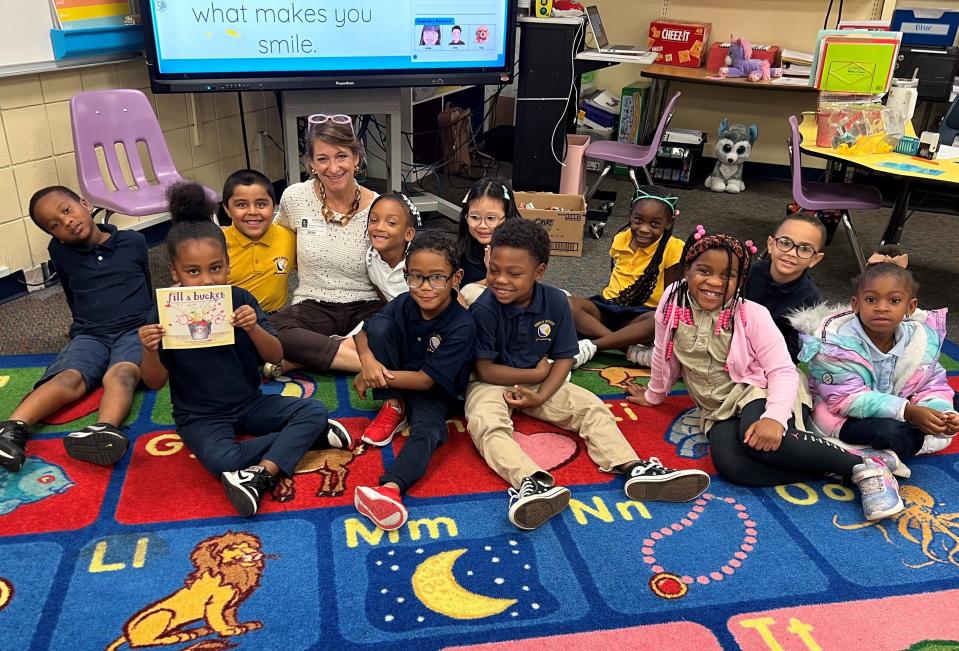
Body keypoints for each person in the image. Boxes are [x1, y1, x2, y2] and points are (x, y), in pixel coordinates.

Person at [627, 226, 908, 521]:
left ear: (740, 280)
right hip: (716, 407)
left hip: (759, 389)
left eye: (728, 276)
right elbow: (663, 350)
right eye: (704, 271)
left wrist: (774, 418)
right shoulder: (673, 300)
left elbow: (783, 371)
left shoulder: (751, 314)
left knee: (765, 442)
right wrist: (654, 395)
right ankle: (837, 465)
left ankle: (863, 469)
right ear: (687, 269)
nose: (715, 282)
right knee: (734, 467)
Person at [466, 218, 709, 531]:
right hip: (491, 382)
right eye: (494, 270)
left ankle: (634, 467)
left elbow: (565, 357)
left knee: (591, 406)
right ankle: (531, 482)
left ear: (539, 272)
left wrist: (540, 393)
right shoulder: (484, 308)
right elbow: (484, 369)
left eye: (514, 273)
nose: (501, 280)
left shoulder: (555, 302)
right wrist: (532, 373)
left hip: (539, 380)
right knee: (486, 422)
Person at [138, 183, 351, 517]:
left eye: (216, 268)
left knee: (312, 410)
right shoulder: (164, 312)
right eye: (193, 272)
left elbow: (274, 356)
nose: (207, 280)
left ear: (227, 264)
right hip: (198, 416)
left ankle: (261, 474)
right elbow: (153, 382)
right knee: (222, 459)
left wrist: (252, 327)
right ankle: (307, 439)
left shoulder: (240, 300)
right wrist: (149, 349)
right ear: (174, 272)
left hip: (249, 402)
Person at [0, 186, 152, 472]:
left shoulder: (133, 241)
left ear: (84, 204)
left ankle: (103, 430)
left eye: (66, 210)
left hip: (135, 329)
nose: (65, 222)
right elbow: (71, 292)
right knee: (69, 378)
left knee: (120, 373)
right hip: (91, 333)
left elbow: (146, 285)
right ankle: (11, 429)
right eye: (54, 225)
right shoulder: (60, 251)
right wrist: (78, 324)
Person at [353, 233, 476, 530]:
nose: (424, 287)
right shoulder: (404, 302)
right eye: (416, 277)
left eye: (436, 278)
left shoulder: (462, 325)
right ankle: (394, 406)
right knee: (380, 326)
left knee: (429, 430)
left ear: (455, 278)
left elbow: (424, 381)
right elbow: (361, 334)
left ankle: (390, 490)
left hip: (436, 389)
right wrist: (368, 363)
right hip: (400, 375)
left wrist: (376, 376)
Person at [793, 262, 957, 462]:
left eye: (894, 300)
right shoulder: (834, 345)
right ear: (856, 304)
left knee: (950, 404)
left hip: (898, 406)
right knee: (891, 432)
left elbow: (931, 384)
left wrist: (942, 414)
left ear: (911, 307)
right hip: (842, 414)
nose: (881, 308)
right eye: (871, 299)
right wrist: (908, 411)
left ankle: (887, 450)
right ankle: (875, 455)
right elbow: (846, 399)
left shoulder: (920, 342)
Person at [267, 114, 382, 377]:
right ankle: (366, 364)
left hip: (366, 305)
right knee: (264, 331)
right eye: (322, 158)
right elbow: (276, 241)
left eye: (341, 156)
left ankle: (305, 359)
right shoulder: (294, 197)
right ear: (310, 163)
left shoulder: (380, 206)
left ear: (356, 158)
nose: (333, 167)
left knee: (400, 328)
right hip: (313, 305)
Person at [568, 186, 684, 369]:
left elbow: (672, 297)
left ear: (669, 223)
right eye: (638, 220)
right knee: (566, 303)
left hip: (640, 316)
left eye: (655, 224)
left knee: (659, 319)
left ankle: (594, 345)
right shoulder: (620, 238)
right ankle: (628, 349)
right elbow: (615, 278)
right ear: (630, 215)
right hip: (608, 307)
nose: (644, 229)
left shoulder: (674, 247)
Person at [745, 213, 825, 363]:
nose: (792, 253)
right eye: (785, 243)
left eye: (805, 249)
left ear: (815, 259)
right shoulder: (747, 274)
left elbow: (794, 352)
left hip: (771, 362)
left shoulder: (810, 299)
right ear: (770, 244)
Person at [222, 169, 295, 314]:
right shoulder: (216, 243)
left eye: (261, 204)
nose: (253, 212)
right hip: (229, 320)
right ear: (227, 209)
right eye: (241, 205)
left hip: (274, 318)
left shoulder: (288, 237)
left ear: (274, 206)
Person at [455, 177, 517, 305]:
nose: (482, 225)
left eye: (491, 218)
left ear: (507, 217)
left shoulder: (518, 247)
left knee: (561, 296)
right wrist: (492, 274)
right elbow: (464, 291)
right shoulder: (464, 250)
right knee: (471, 291)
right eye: (475, 217)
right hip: (483, 305)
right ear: (466, 216)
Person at [366, 192, 418, 302]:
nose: (379, 227)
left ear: (408, 234)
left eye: (391, 223)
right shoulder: (370, 257)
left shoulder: (419, 263)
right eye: (374, 220)